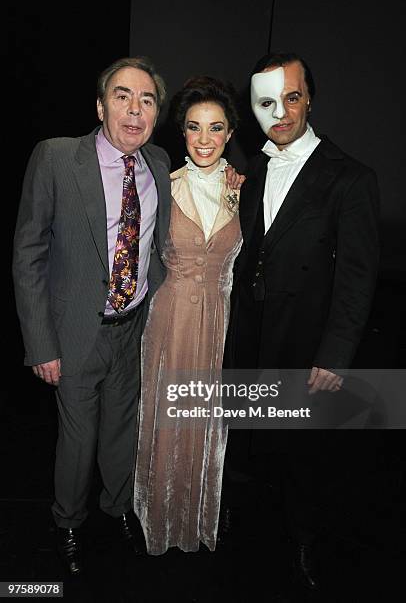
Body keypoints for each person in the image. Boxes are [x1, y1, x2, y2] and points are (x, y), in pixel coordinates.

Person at [225, 52, 380, 589]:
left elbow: (358, 277)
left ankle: (304, 548)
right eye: (267, 101)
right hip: (254, 332)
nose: (281, 112)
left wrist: (335, 355)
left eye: (292, 97)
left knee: (306, 456)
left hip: (307, 340)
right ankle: (258, 541)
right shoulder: (255, 168)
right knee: (259, 447)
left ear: (309, 97)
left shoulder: (351, 178)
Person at [12, 57, 172, 575]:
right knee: (77, 442)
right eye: (123, 96)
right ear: (101, 105)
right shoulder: (58, 157)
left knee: (122, 431)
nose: (135, 108)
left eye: (147, 100)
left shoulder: (161, 164)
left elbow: (158, 244)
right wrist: (41, 343)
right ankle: (69, 523)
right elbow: (29, 253)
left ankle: (117, 509)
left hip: (131, 331)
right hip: (76, 333)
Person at [133, 76, 242, 555]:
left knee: (203, 425)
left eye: (215, 129)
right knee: (165, 421)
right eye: (194, 128)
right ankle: (157, 521)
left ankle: (197, 520)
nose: (203, 140)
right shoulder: (163, 185)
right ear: (182, 132)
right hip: (171, 318)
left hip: (218, 322)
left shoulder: (242, 189)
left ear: (229, 134)